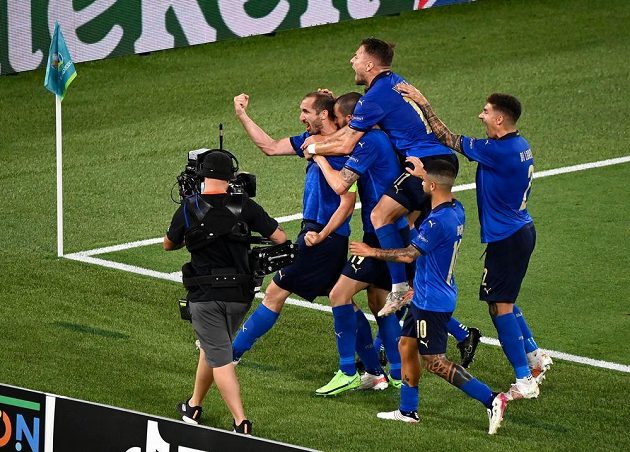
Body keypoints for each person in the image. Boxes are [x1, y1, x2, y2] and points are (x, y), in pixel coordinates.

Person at [395, 83, 553, 399]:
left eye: (485, 111)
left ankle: (524, 379)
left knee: (499, 308)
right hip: (520, 231)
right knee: (505, 298)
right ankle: (535, 354)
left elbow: (447, 138)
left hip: (507, 239)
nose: (480, 115)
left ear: (499, 120)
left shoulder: (497, 151)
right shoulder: (519, 144)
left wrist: (423, 104)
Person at [300, 38, 461, 318]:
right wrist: (337, 108)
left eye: (356, 56)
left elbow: (348, 142)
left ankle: (400, 286)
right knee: (402, 222)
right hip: (435, 159)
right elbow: (355, 125)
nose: (352, 60)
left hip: (425, 163)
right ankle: (411, 286)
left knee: (379, 216)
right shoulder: (391, 83)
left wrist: (314, 148)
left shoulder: (375, 96)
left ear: (370, 64)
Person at [350, 158, 508, 435]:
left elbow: (409, 254)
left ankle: (491, 398)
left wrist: (371, 251)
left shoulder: (437, 222)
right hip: (428, 294)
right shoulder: (457, 209)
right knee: (405, 347)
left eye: (424, 181)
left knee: (435, 362)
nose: (420, 183)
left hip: (432, 303)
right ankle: (407, 411)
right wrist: (424, 171)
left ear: (433, 185)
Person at [164, 151, 287, 434]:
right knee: (212, 347)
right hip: (240, 297)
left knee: (220, 356)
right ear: (231, 177)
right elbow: (280, 238)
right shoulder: (247, 206)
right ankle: (193, 406)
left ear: (202, 175)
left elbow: (168, 245)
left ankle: (240, 422)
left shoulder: (189, 207)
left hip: (206, 296)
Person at [230, 92, 356, 366]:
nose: (300, 118)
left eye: (306, 112)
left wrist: (322, 235)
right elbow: (271, 147)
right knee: (343, 298)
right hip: (321, 232)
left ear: (323, 114)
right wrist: (242, 115)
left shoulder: (344, 146)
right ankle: (376, 367)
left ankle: (232, 353)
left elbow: (348, 198)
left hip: (322, 234)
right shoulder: (311, 141)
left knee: (276, 292)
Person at [312, 92, 404, 395]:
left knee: (339, 293)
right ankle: (397, 374)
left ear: (351, 121)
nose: (339, 128)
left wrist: (319, 156)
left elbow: (340, 184)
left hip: (380, 236)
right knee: (380, 305)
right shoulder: (380, 137)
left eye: (340, 121)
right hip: (387, 230)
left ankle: (347, 371)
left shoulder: (368, 143)